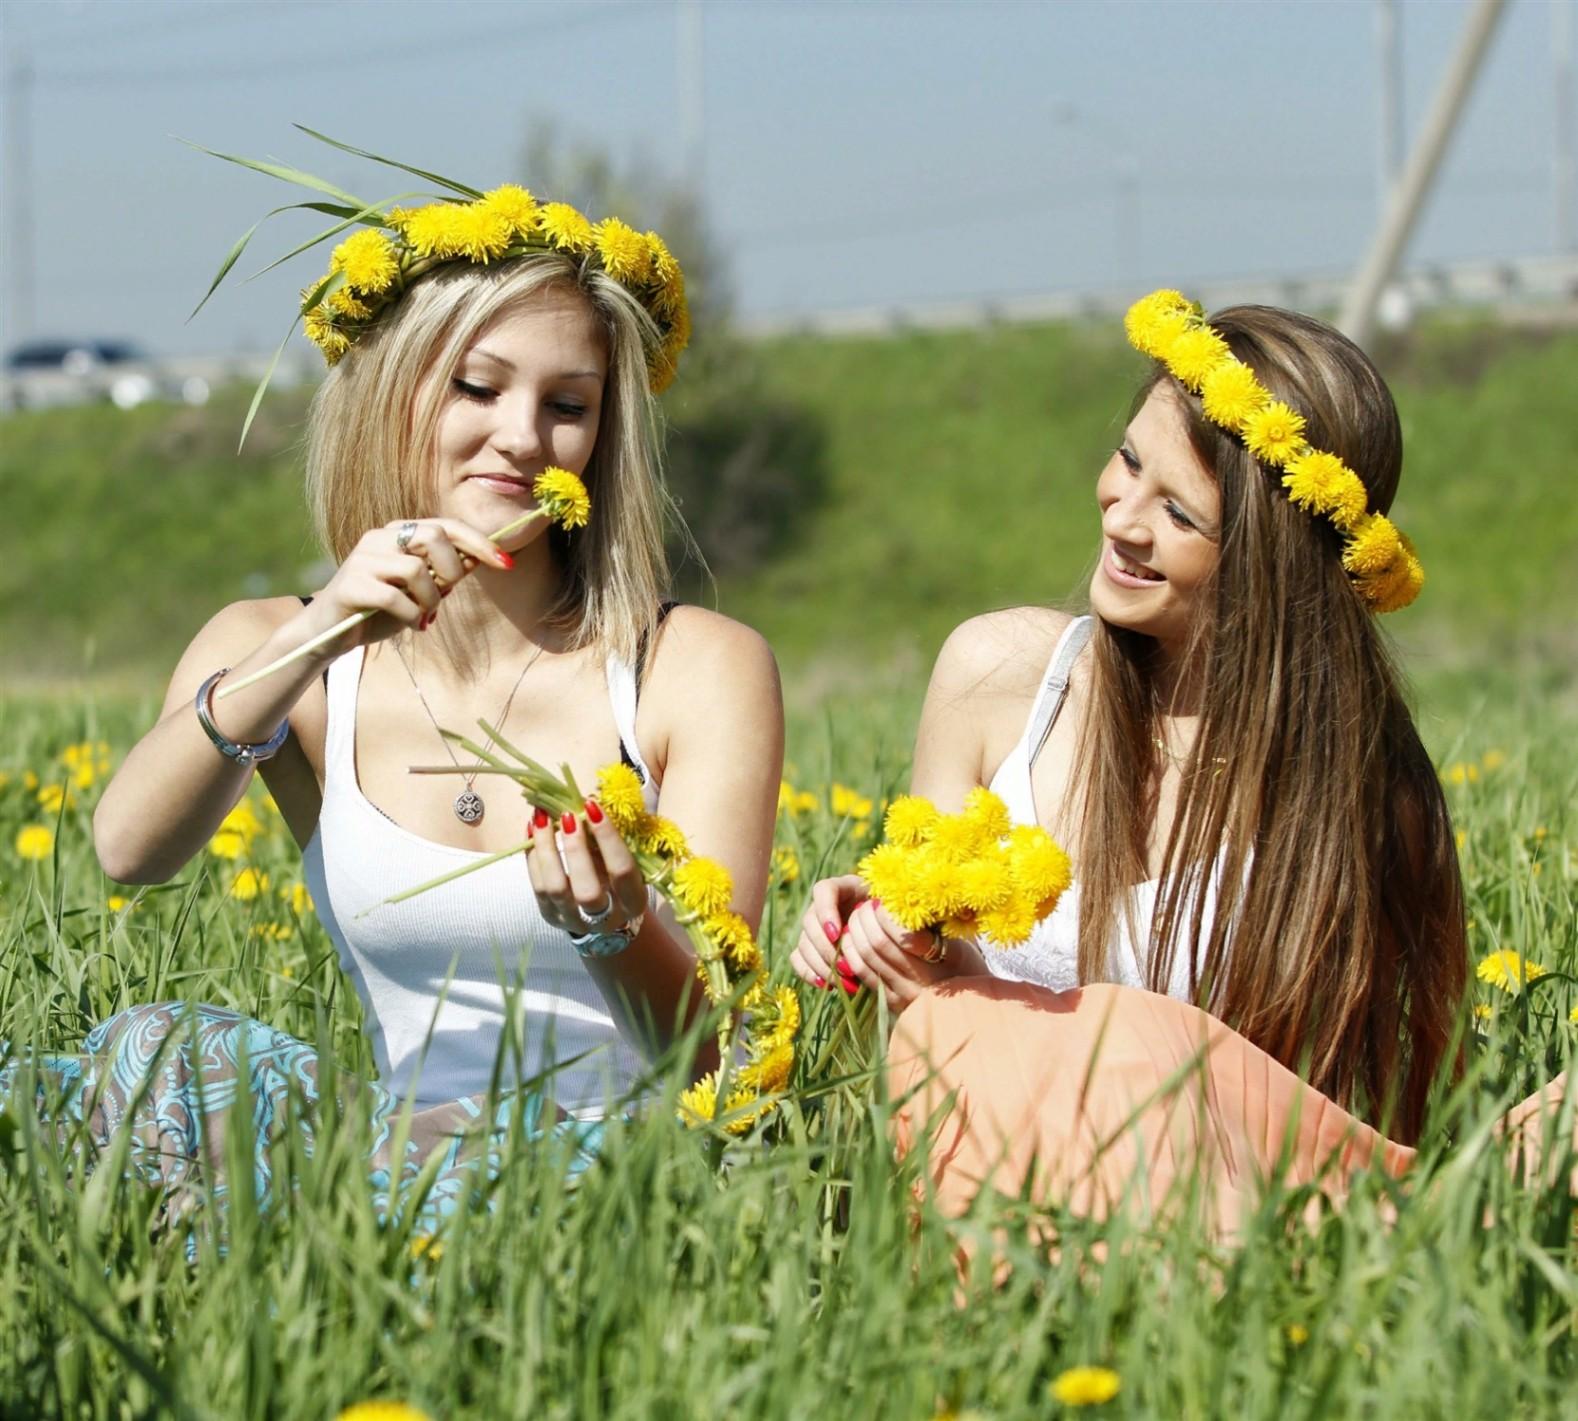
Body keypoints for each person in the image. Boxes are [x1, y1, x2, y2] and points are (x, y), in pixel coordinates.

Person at [6, 165, 783, 1226]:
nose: (522, 435)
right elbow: (128, 851)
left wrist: (615, 924)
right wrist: (315, 635)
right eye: (478, 386)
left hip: (615, 1171)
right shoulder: (281, 649)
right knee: (153, 1054)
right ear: (394, 389)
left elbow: (719, 1047)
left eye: (569, 406)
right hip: (396, 1143)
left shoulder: (690, 664)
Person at [791, 291, 1476, 1234]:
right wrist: (885, 946)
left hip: (1225, 1234)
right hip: (989, 1211)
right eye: (1126, 461)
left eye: (1180, 513)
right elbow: (920, 1044)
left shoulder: (1358, 795)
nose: (1122, 517)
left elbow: (1349, 1117)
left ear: (1270, 561)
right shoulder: (1000, 677)